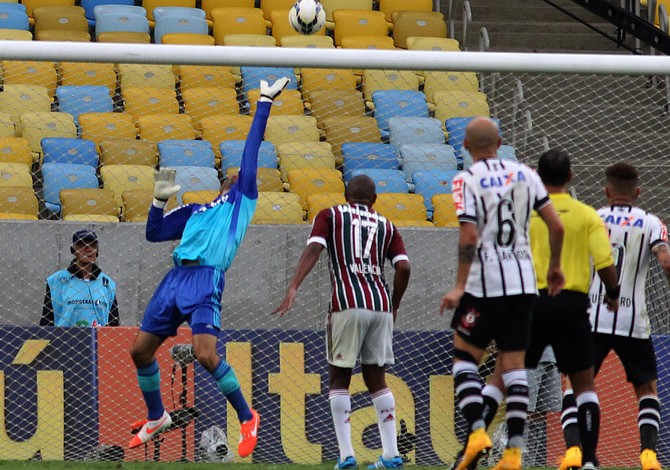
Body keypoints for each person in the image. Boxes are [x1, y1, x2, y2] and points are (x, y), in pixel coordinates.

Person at [127, 77, 290, 455]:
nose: (242, 174)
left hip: (205, 278)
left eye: (243, 175)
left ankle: (248, 417)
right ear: (223, 181)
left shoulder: (241, 201)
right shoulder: (195, 211)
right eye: (233, 174)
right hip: (175, 278)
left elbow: (251, 153)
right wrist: (157, 200)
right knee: (140, 352)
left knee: (204, 354)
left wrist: (264, 101)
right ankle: (157, 417)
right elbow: (155, 233)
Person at [479, 149, 621, 470]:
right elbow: (604, 263)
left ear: (537, 178)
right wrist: (613, 293)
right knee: (584, 385)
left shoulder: (524, 215)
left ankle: (474, 443)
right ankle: (589, 461)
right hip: (571, 304)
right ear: (571, 176)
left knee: (503, 378)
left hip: (529, 303)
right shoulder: (587, 215)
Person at [440, 117, 565, 470]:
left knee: (464, 358)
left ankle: (478, 429)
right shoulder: (527, 174)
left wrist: (460, 285)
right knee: (513, 367)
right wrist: (554, 267)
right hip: (523, 284)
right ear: (501, 140)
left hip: (484, 284)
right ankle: (513, 451)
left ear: (465, 145)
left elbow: (469, 236)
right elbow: (556, 225)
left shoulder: (466, 179)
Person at [272, 174, 411, 470]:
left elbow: (314, 248)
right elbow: (403, 267)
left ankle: (347, 456)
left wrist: (294, 284)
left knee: (339, 378)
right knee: (377, 379)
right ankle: (390, 455)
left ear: (346, 196)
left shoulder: (330, 215)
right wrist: (394, 303)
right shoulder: (387, 225)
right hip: (381, 307)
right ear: (374, 200)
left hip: (347, 305)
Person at [559, 162, 670, 470]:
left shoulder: (591, 218)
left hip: (592, 317)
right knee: (646, 390)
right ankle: (648, 456)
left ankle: (576, 452)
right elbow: (669, 266)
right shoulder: (651, 223)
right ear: (638, 192)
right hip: (633, 321)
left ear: (606, 191)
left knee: (575, 385)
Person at [41, 229, 119, 327]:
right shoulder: (56, 281)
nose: (88, 249)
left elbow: (114, 325)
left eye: (92, 246)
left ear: (97, 252)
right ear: (74, 250)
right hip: (65, 341)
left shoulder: (107, 284)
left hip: (98, 341)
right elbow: (46, 323)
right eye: (82, 245)